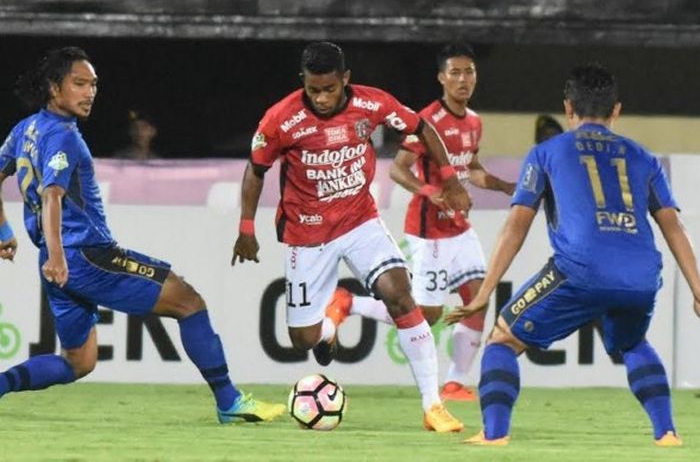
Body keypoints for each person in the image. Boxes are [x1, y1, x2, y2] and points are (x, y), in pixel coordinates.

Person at [0, 46, 285, 424]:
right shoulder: (62, 136)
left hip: (58, 262)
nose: (89, 93)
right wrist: (57, 254)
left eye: (94, 85)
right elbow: (53, 195)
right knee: (188, 301)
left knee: (78, 361)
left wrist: (6, 230)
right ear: (54, 88)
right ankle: (229, 402)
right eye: (79, 84)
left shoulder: (26, 129)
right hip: (84, 255)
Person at [445, 63, 700, 446]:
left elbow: (516, 226)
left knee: (502, 341)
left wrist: (485, 292)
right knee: (633, 344)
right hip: (642, 275)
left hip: (580, 270)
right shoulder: (643, 157)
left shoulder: (546, 153)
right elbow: (674, 227)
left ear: (568, 108)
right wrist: (698, 288)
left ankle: (494, 434)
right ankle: (667, 433)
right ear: (616, 110)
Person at [231, 41, 470, 432]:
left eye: (329, 89)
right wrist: (246, 227)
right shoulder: (280, 120)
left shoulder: (373, 104)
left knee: (400, 294)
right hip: (307, 233)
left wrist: (449, 179)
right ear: (303, 83)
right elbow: (256, 170)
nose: (322, 98)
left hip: (360, 221)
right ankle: (331, 319)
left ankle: (433, 406)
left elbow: (422, 127)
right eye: (313, 90)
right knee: (302, 339)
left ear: (345, 79)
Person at [324, 42, 515, 402]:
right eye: (455, 72)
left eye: (469, 72)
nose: (463, 79)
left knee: (478, 298)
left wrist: (504, 186)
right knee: (426, 314)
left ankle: (456, 381)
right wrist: (433, 191)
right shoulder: (427, 121)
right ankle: (350, 301)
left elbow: (469, 169)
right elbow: (397, 170)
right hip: (430, 233)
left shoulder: (474, 122)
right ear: (441, 78)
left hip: (459, 229)